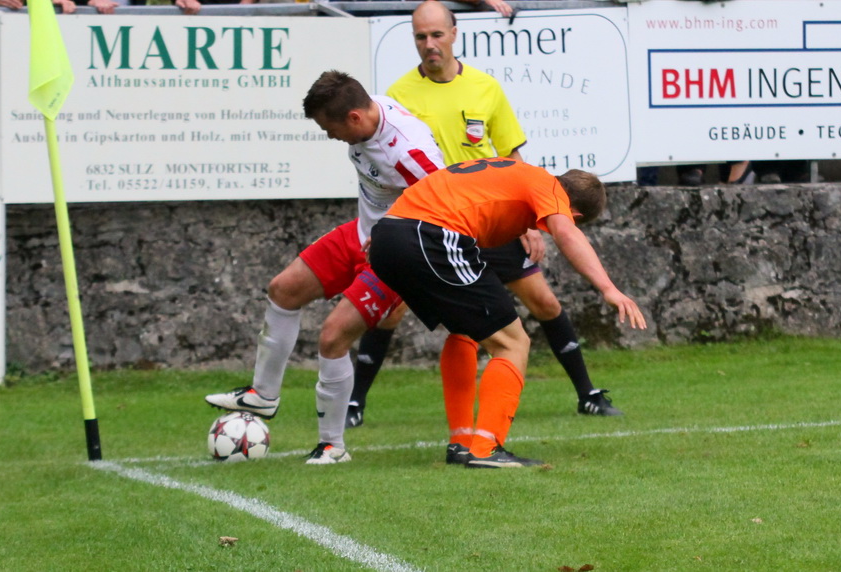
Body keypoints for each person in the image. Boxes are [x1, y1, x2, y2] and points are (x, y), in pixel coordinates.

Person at [346, 1, 623, 441]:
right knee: (394, 312)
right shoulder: (398, 95)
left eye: (437, 35)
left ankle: (586, 393)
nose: (429, 44)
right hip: (437, 223)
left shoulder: (485, 87)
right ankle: (357, 403)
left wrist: (529, 223)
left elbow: (511, 155)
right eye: (420, 36)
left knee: (544, 303)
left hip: (491, 219)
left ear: (454, 34)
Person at [204, 71, 445, 464]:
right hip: (362, 233)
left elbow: (445, 204)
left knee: (332, 336)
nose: (330, 136)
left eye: (330, 129)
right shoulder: (369, 109)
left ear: (353, 117)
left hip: (394, 254)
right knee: (283, 289)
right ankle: (263, 395)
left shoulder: (409, 153)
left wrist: (399, 240)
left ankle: (333, 446)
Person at [369, 158, 647, 468]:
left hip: (388, 235)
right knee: (513, 343)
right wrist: (608, 288)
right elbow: (567, 233)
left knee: (465, 330)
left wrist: (394, 238)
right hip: (429, 236)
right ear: (575, 213)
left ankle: (462, 441)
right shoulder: (548, 186)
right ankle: (486, 448)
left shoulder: (512, 173)